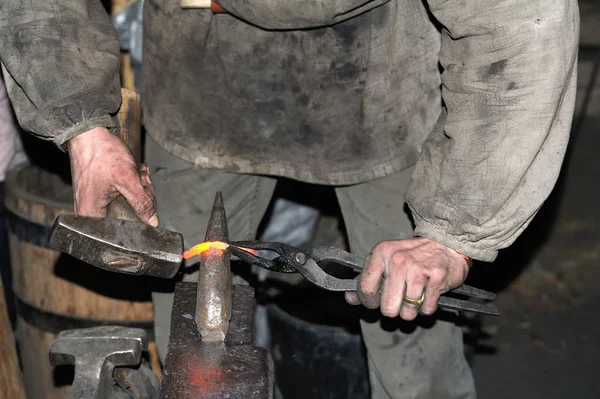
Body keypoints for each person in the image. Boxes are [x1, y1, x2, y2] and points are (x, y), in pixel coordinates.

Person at [0, 0, 579, 397]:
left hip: (381, 80)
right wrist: (84, 128)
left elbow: (521, 21)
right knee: (195, 353)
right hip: (201, 74)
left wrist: (455, 231)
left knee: (417, 363)